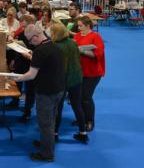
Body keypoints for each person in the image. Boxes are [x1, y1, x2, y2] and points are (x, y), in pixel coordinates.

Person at [14, 24, 65, 162]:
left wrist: (16, 78)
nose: (30, 43)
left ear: (36, 37)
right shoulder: (55, 46)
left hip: (46, 92)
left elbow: (31, 75)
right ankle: (47, 144)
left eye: (30, 40)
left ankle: (46, 154)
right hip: (59, 89)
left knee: (45, 123)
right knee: (51, 120)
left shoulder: (40, 51)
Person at [51, 23, 89, 143]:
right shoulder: (73, 43)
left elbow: (57, 67)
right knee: (77, 106)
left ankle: (55, 134)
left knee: (58, 108)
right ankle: (83, 132)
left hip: (62, 81)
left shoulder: (56, 46)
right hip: (77, 78)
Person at [74, 16, 105, 132]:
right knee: (78, 98)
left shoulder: (95, 37)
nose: (78, 27)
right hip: (79, 72)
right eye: (78, 25)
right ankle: (81, 119)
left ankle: (90, 121)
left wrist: (82, 51)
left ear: (87, 26)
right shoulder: (77, 36)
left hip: (93, 73)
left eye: (80, 25)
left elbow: (98, 55)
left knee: (86, 97)